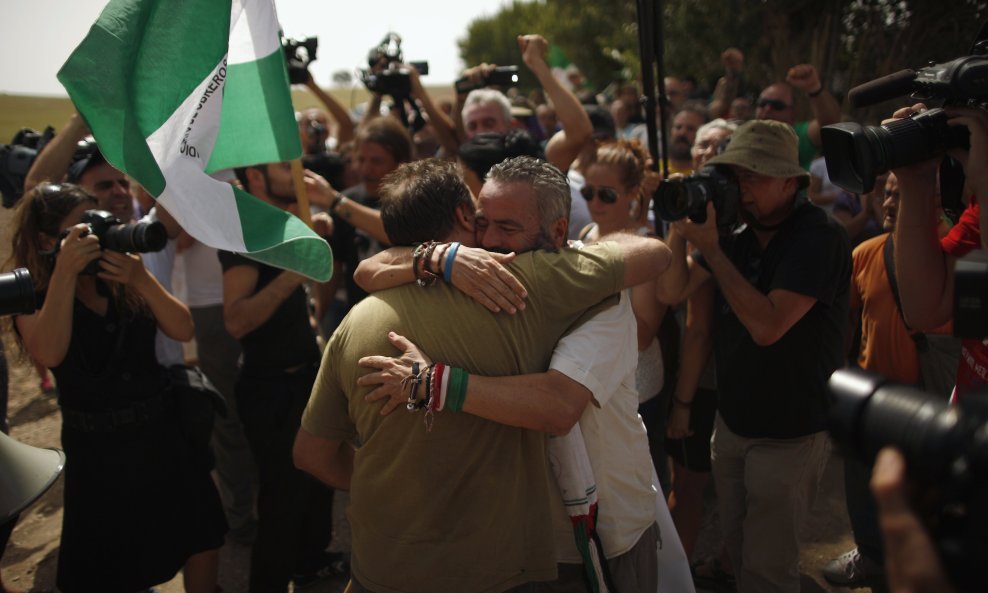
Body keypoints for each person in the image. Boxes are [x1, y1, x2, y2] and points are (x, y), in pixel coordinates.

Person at [294, 157, 671, 593]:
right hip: (517, 557)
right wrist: (437, 258)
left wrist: (433, 386)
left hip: (606, 532)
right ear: (462, 216)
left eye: (506, 228)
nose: (490, 241)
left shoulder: (360, 318)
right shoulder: (518, 277)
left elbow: (558, 405)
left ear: (558, 231)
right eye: (482, 222)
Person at [657, 119, 851, 593]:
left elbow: (767, 326)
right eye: (738, 176)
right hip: (735, 421)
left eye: (756, 177)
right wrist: (684, 228)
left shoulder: (818, 237)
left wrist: (713, 252)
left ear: (792, 181)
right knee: (741, 551)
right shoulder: (736, 232)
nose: (744, 188)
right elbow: (671, 289)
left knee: (769, 569)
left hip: (791, 430)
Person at [10, 183, 226, 593]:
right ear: (45, 239)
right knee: (112, 567)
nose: (95, 234)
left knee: (202, 538)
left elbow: (182, 328)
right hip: (99, 453)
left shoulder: (121, 274)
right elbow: (50, 351)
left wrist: (141, 280)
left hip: (161, 432)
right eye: (81, 228)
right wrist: (64, 275)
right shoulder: (33, 292)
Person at [222, 162, 340, 592]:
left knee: (318, 481)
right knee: (281, 499)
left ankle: (310, 560)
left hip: (305, 376)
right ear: (255, 176)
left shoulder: (288, 223)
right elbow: (237, 320)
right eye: (282, 164)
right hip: (270, 389)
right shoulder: (249, 236)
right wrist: (297, 268)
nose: (297, 170)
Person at [754, 64, 841, 170]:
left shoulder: (797, 137)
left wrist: (814, 88)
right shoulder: (743, 134)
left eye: (777, 105)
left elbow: (830, 125)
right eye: (762, 103)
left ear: (792, 112)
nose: (767, 109)